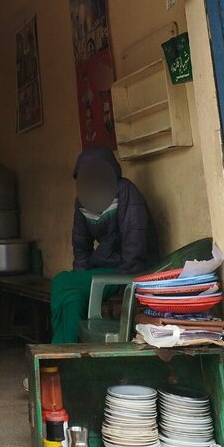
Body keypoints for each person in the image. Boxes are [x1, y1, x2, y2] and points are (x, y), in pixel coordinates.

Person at [51, 146, 158, 343]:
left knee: (61, 281)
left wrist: (124, 285)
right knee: (72, 296)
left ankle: (61, 351)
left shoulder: (126, 191)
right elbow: (80, 245)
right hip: (104, 268)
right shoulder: (82, 201)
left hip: (129, 271)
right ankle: (65, 360)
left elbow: (135, 245)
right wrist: (81, 277)